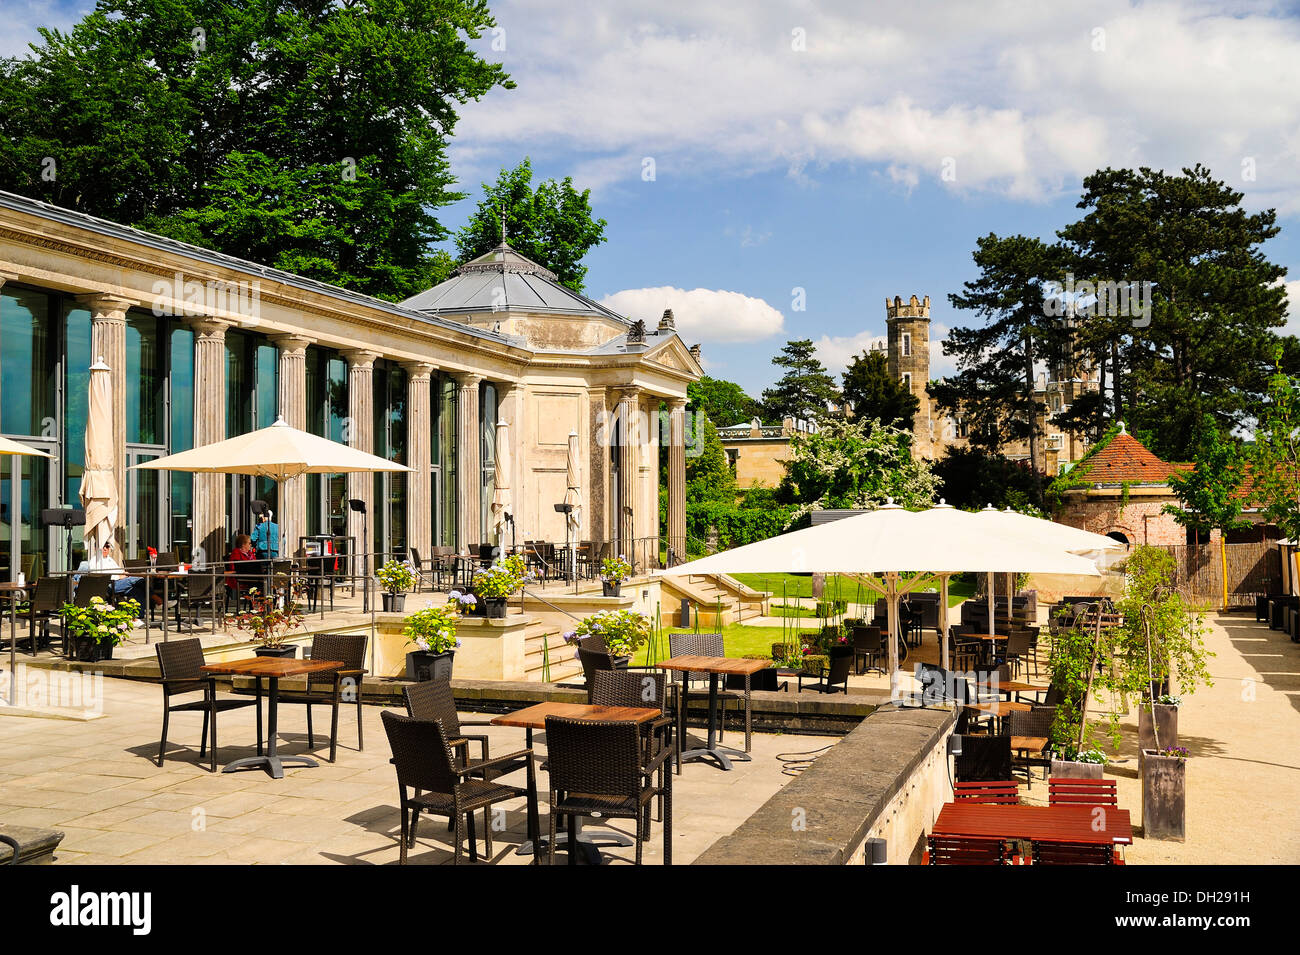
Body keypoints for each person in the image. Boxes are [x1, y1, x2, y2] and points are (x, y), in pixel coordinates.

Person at [75, 542, 147, 607]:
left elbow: (120, 570)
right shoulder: (95, 561)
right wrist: (119, 576)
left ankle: (140, 615)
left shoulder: (110, 559)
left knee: (137, 588)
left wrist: (124, 573)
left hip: (118, 583)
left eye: (107, 547)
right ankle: (156, 598)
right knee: (138, 580)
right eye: (103, 547)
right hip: (108, 585)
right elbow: (100, 576)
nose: (105, 549)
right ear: (96, 548)